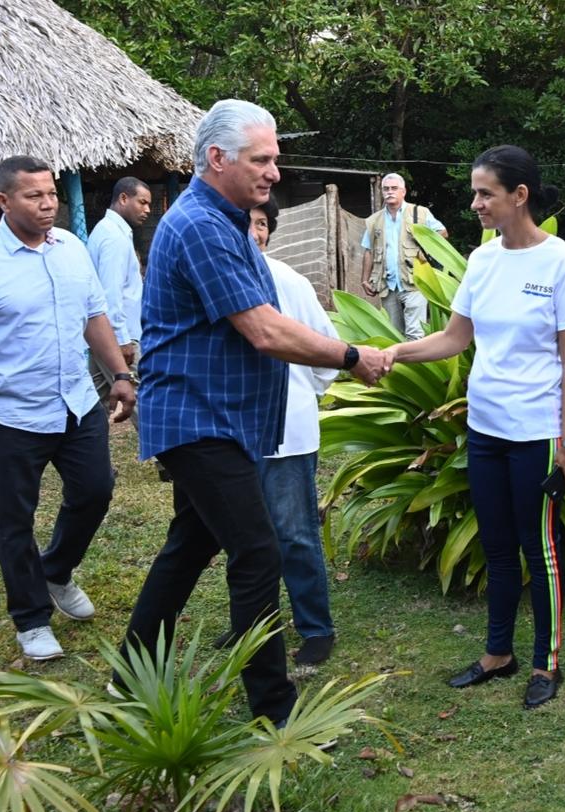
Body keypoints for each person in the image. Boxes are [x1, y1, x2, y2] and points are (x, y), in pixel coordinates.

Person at [118, 99, 390, 723]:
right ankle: (274, 711)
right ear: (217, 159)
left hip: (224, 416)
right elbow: (265, 331)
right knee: (258, 552)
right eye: (261, 159)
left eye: (275, 158)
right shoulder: (201, 227)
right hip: (199, 418)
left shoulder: (228, 220)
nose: (274, 171)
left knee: (190, 545)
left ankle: (128, 675)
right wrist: (353, 355)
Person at [387, 146, 565, 709]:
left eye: (485, 194)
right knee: (498, 546)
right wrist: (395, 353)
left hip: (537, 432)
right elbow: (456, 338)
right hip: (486, 428)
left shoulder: (561, 262)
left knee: (539, 549)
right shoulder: (482, 261)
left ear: (518, 196)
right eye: (475, 193)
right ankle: (497, 653)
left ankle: (545, 663)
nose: (474, 203)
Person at [0, 155, 136, 661]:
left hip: (74, 401)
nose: (48, 205)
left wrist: (119, 374)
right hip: (8, 414)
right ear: (3, 201)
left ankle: (55, 571)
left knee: (95, 490)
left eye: (50, 194)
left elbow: (94, 316)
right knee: (13, 521)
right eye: (34, 196)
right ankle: (30, 618)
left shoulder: (72, 248)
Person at [213, 196, 338, 664]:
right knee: (241, 535)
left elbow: (325, 346)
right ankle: (250, 625)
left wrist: (305, 395)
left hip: (288, 430)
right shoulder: (216, 280)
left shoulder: (291, 281)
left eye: (262, 223)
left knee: (296, 533)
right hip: (232, 433)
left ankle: (315, 628)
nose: (254, 232)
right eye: (245, 223)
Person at [87, 177, 152, 411]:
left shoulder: (113, 232)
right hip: (119, 337)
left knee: (90, 403)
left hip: (107, 334)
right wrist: (122, 340)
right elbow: (110, 293)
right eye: (142, 202)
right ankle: (159, 450)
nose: (147, 210)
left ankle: (65, 443)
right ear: (124, 198)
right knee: (141, 405)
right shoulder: (113, 238)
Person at [360, 173, 447, 341]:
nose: (389, 192)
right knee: (394, 333)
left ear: (403, 192)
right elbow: (368, 250)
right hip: (388, 284)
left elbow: (442, 232)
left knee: (415, 333)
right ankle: (400, 366)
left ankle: (418, 366)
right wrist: (365, 279)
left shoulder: (419, 213)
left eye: (394, 188)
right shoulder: (374, 220)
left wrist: (426, 250)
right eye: (386, 189)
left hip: (414, 280)